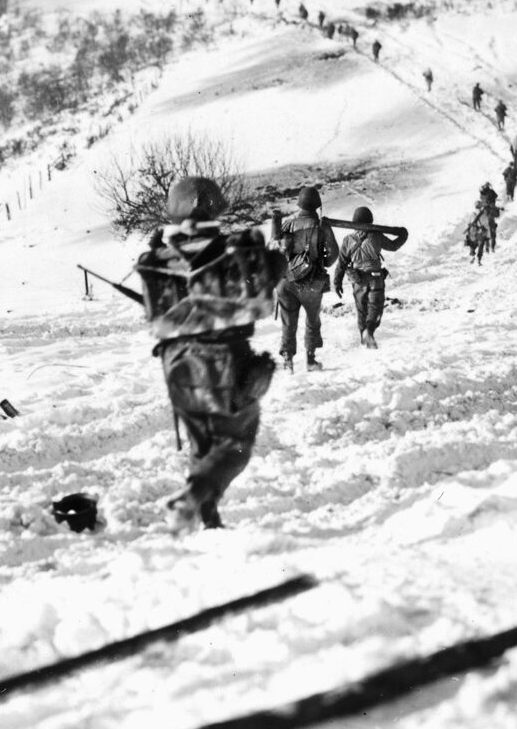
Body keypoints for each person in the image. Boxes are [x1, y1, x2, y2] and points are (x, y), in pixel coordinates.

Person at [136, 177, 283, 532]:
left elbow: (154, 315)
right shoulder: (234, 250)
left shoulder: (156, 257)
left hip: (175, 364)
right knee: (234, 444)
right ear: (213, 205)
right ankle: (191, 496)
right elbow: (266, 293)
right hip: (225, 358)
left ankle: (207, 517)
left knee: (202, 443)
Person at [272, 185, 340, 372]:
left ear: (299, 203)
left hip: (286, 281)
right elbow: (334, 253)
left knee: (288, 322)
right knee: (312, 320)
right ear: (317, 205)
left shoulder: (287, 224)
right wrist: (322, 263)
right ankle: (310, 361)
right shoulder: (321, 226)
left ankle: (288, 360)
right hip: (311, 283)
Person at [333, 206, 408, 349]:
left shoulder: (348, 240)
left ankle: (364, 339)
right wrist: (403, 235)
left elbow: (341, 264)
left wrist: (337, 283)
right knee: (375, 309)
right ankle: (370, 332)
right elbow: (393, 245)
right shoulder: (376, 236)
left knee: (361, 311)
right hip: (375, 279)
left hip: (358, 281)